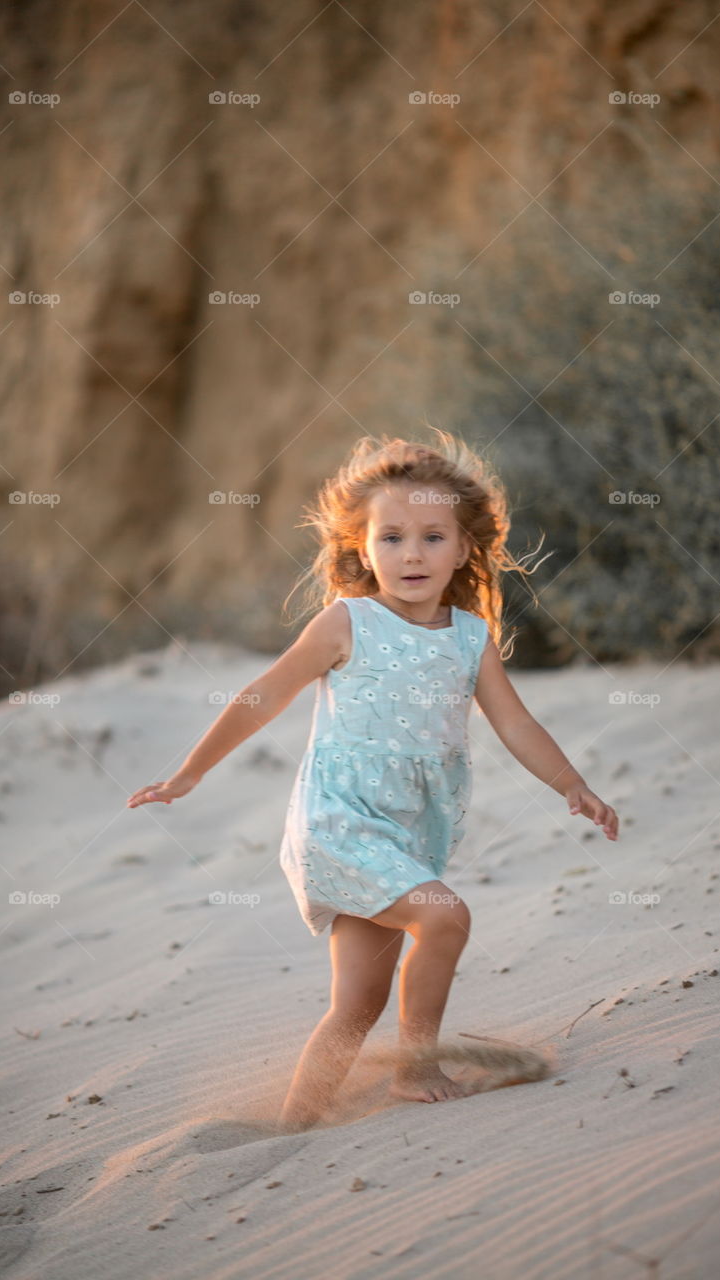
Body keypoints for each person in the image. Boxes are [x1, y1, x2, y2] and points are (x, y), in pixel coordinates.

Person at [127, 430, 619, 1131]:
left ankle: (289, 1133)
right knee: (445, 916)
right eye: (390, 537)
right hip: (338, 824)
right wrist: (188, 773)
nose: (411, 554)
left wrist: (571, 784)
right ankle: (415, 1068)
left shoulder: (468, 637)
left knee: (356, 1004)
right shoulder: (347, 622)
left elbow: (515, 724)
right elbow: (263, 694)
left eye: (430, 536)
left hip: (408, 834)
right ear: (362, 548)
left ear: (463, 549)